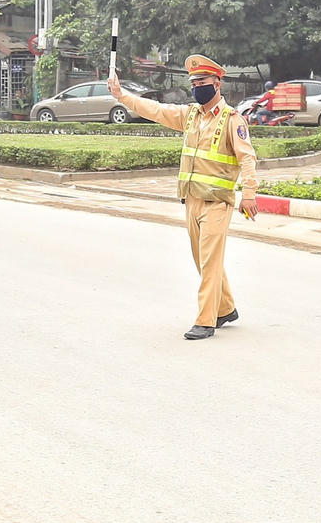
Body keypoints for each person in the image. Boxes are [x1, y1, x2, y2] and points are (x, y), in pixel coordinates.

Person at [108, 55, 259, 340]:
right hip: (191, 200)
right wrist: (121, 95)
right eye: (194, 83)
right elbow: (155, 110)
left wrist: (248, 194)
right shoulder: (190, 115)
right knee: (202, 260)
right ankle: (226, 308)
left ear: (217, 83)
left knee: (210, 262)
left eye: (203, 82)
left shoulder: (232, 120)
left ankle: (206, 320)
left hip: (217, 203)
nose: (198, 87)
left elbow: (247, 158)